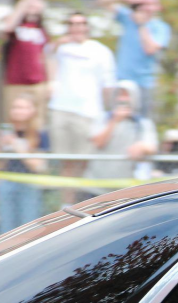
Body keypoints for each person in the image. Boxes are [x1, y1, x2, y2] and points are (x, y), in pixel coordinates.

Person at [47, 10, 116, 203]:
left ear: (87, 27)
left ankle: (83, 204)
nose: (76, 27)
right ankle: (65, 206)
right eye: (72, 23)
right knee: (66, 162)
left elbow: (108, 85)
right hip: (60, 108)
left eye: (80, 23)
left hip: (88, 112)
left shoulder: (100, 51)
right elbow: (44, 58)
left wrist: (106, 113)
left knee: (84, 162)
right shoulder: (59, 48)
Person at [100, 0, 171, 118]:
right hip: (121, 81)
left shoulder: (161, 27)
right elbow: (103, 3)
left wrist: (141, 25)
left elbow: (150, 49)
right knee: (117, 119)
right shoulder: (127, 17)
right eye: (144, 4)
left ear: (157, 7)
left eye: (151, 4)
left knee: (141, 123)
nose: (147, 8)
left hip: (143, 84)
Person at [0, 94, 50, 234]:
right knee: (6, 228)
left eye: (24, 107)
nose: (19, 111)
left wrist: (17, 146)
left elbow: (39, 165)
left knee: (28, 226)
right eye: (16, 107)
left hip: (29, 182)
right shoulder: (3, 131)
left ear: (33, 111)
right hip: (6, 181)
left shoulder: (40, 134)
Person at [87, 80, 157, 185]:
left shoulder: (142, 123)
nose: (122, 99)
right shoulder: (102, 119)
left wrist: (142, 147)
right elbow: (98, 143)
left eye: (126, 95)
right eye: (119, 94)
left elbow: (152, 147)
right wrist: (114, 120)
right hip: (97, 186)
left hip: (127, 188)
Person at [1, 0, 49, 128]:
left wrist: (50, 81)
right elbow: (7, 28)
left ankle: (33, 146)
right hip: (16, 81)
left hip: (38, 82)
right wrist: (23, 6)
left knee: (37, 122)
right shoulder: (16, 27)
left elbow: (47, 57)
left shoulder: (42, 30)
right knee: (13, 119)